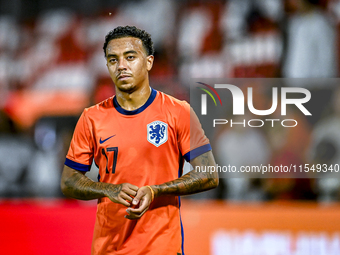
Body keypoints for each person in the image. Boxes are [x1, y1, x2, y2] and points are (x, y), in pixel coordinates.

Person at [60, 26, 218, 255]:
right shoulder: (91, 118)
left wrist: (156, 190)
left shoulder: (178, 112)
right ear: (107, 65)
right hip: (109, 247)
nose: (121, 65)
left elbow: (209, 174)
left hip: (162, 246)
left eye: (130, 57)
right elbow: (68, 181)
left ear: (149, 62)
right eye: (113, 59)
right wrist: (107, 189)